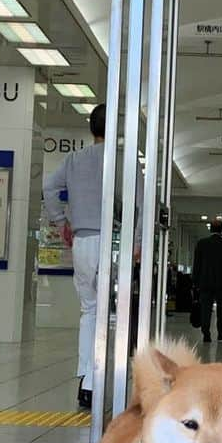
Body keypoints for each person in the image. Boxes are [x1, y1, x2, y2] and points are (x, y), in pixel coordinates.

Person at [43, 103, 140, 410]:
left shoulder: (74, 159)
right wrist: (136, 241)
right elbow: (139, 204)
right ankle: (103, 380)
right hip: (113, 241)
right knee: (112, 313)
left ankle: (87, 380)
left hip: (83, 240)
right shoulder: (125, 161)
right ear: (116, 130)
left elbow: (48, 186)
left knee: (89, 310)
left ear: (91, 129)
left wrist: (61, 222)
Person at [193, 218, 222, 344]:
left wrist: (195, 281)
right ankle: (221, 334)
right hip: (221, 282)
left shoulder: (201, 243)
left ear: (210, 229)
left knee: (206, 309)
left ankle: (206, 334)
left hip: (204, 281)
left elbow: (197, 264)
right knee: (221, 309)